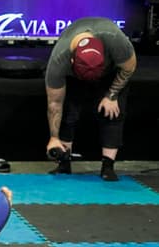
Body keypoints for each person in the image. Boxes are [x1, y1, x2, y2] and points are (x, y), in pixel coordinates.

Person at [44, 17, 136, 181]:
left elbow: (129, 66)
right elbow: (54, 103)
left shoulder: (115, 41)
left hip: (111, 74)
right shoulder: (59, 60)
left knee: (113, 112)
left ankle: (108, 167)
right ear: (72, 60)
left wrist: (112, 95)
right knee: (68, 112)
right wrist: (54, 137)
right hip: (74, 75)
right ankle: (64, 164)